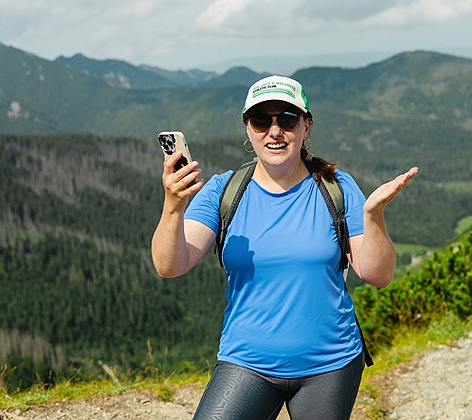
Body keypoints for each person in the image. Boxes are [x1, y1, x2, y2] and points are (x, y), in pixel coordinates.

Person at [151, 75, 418, 419]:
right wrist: (173, 205)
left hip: (330, 363)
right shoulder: (224, 190)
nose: (274, 131)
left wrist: (373, 215)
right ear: (248, 129)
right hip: (246, 361)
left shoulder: (336, 187)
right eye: (262, 120)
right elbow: (169, 265)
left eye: (287, 119)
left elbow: (378, 275)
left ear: (306, 126)